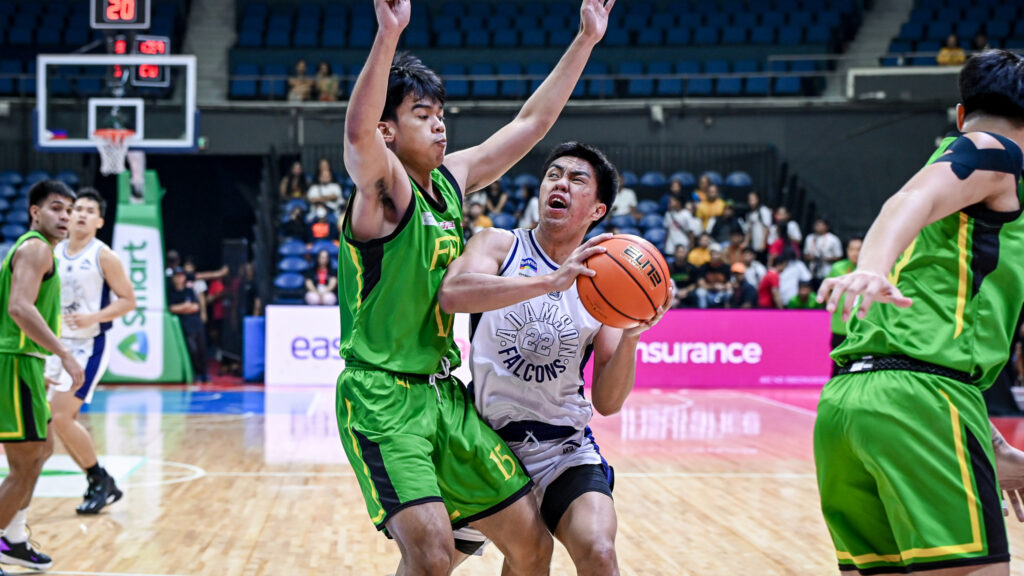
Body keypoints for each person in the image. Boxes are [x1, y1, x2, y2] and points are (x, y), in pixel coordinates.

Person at [337, 1, 614, 574]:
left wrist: (585, 40)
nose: (439, 123)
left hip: (446, 395)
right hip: (383, 395)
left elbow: (530, 125)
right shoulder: (382, 192)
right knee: (433, 554)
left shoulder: (451, 179)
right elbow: (358, 132)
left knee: (532, 546)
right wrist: (388, 34)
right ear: (389, 130)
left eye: (441, 113)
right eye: (422, 114)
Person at [816, 50, 1024, 574]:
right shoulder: (993, 149)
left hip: (848, 405)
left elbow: (936, 316)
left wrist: (988, 438)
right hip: (923, 403)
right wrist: (872, 267)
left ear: (959, 111)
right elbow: (908, 199)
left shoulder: (971, 202)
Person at [439, 141, 669, 574]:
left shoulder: (607, 284)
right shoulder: (499, 245)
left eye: (576, 179)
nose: (560, 183)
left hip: (562, 447)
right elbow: (452, 295)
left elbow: (608, 401)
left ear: (597, 211)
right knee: (433, 562)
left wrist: (633, 335)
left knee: (599, 552)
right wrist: (548, 282)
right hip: (487, 445)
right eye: (553, 174)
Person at [0, 180, 84, 572]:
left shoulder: (37, 250)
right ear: (35, 212)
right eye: (56, 208)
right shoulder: (35, 248)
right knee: (23, 464)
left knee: (43, 449)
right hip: (15, 361)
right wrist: (64, 354)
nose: (65, 216)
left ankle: (14, 538)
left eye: (69, 209)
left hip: (26, 362)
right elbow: (19, 308)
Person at [43, 188, 136, 515]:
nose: (80, 214)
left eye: (88, 210)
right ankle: (95, 480)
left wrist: (93, 317)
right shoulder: (51, 251)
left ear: (99, 220)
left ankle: (98, 479)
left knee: (62, 417)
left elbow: (128, 300)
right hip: (53, 344)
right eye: (76, 208)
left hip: (87, 344)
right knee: (42, 420)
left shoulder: (103, 255)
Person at [168, 267, 208, 383]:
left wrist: (183, 307)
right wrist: (185, 307)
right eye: (177, 276)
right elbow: (172, 308)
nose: (179, 278)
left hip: (195, 322)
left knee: (202, 347)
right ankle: (196, 372)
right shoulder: (172, 292)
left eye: (181, 276)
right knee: (192, 349)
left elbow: (195, 306)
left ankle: (204, 373)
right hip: (184, 325)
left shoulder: (189, 291)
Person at [825, 235, 862, 361]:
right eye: (851, 249)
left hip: (862, 327)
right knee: (837, 363)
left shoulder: (870, 271)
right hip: (840, 324)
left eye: (859, 249)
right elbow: (828, 290)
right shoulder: (837, 268)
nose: (855, 253)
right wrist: (831, 304)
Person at [803, 217, 843, 282]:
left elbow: (839, 256)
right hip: (813, 270)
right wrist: (814, 258)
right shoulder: (809, 238)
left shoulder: (833, 239)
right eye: (816, 225)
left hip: (827, 270)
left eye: (821, 225)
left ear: (827, 226)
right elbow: (806, 254)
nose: (818, 227)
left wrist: (825, 259)